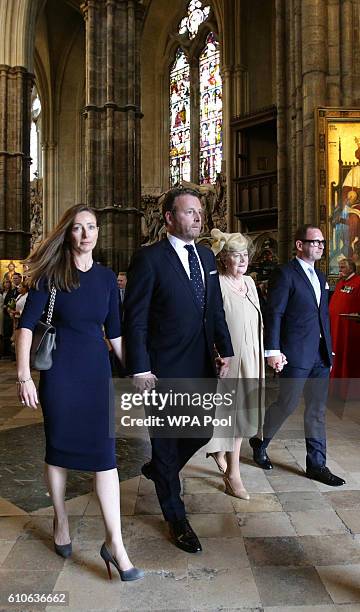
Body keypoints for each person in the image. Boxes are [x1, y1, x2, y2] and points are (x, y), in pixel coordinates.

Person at [16, 204, 143, 581]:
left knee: (106, 457)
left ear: (98, 232)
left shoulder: (106, 279)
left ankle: (115, 544)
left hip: (95, 373)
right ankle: (60, 519)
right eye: (77, 228)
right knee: (58, 451)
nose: (86, 234)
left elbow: (115, 333)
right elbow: (25, 328)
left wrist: (137, 372)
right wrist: (24, 376)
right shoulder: (51, 275)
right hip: (59, 374)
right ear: (67, 234)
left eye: (91, 227)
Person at [124, 187, 233, 554]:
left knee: (201, 432)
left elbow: (214, 308)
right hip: (164, 369)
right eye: (189, 212)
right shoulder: (149, 259)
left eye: (200, 211)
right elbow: (135, 320)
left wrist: (226, 350)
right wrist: (139, 367)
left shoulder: (206, 256)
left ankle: (160, 469)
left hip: (202, 363)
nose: (199, 217)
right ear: (169, 218)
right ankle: (176, 517)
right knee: (168, 443)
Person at [249, 224, 346, 487]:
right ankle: (261, 442)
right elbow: (275, 313)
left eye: (322, 243)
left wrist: (330, 346)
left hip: (320, 355)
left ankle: (317, 465)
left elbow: (322, 314)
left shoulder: (321, 276)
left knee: (316, 411)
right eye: (314, 242)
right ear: (299, 245)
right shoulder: (285, 273)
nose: (320, 246)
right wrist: (273, 350)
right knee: (287, 404)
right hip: (294, 353)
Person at [204, 229, 265, 500]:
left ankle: (220, 453)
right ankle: (233, 474)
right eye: (235, 256)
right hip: (228, 359)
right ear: (223, 259)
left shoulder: (250, 283)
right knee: (232, 415)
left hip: (251, 356)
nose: (242, 261)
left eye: (245, 256)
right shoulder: (216, 283)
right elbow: (210, 322)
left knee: (242, 412)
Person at [329, 258, 360, 399]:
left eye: (342, 267)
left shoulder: (358, 282)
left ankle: (349, 392)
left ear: (351, 268)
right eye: (339, 267)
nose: (339, 269)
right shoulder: (341, 283)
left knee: (348, 358)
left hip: (350, 330)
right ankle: (335, 389)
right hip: (336, 329)